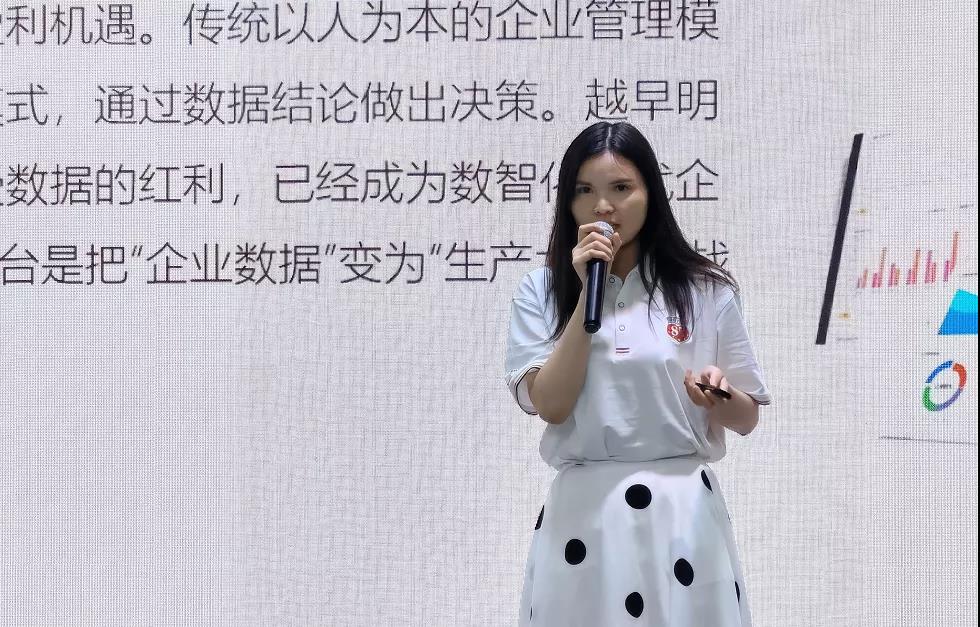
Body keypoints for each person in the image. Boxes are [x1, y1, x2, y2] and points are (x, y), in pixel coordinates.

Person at [504, 121, 772, 626]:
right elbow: (552, 405)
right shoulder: (540, 291)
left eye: (621, 188)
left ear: (651, 194)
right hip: (584, 518)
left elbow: (747, 417)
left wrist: (718, 396)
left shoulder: (706, 290)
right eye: (584, 191)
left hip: (681, 514)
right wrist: (587, 294)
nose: (603, 206)